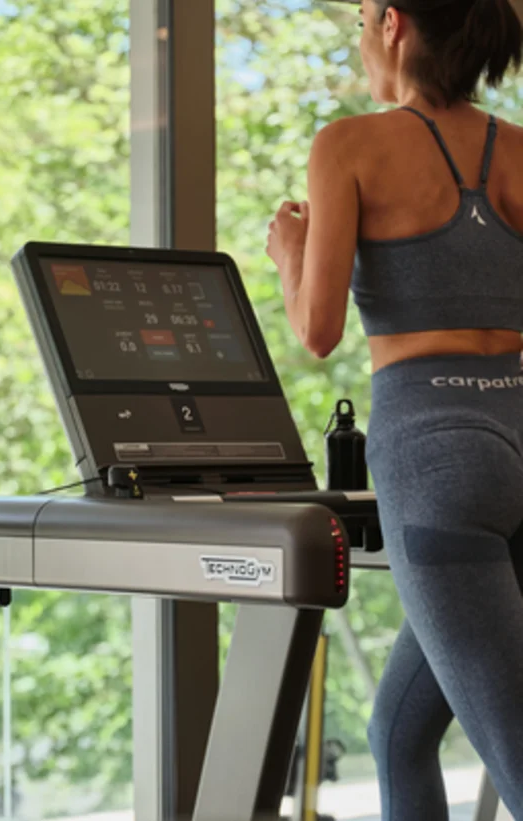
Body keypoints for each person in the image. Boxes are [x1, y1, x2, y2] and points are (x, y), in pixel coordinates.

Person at [265, 0, 523, 818]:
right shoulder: (519, 151)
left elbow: (317, 328)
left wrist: (289, 256)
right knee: (398, 733)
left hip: (437, 457)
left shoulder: (348, 146)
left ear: (392, 23)